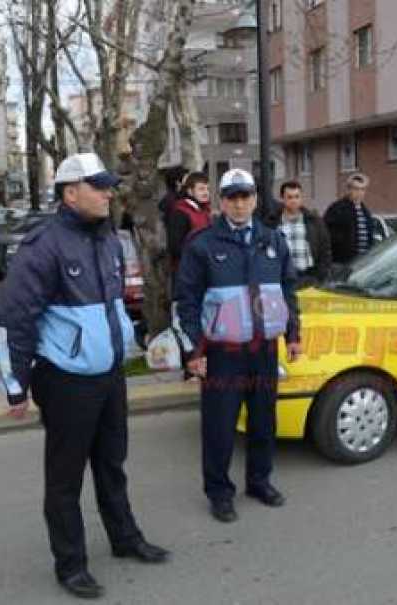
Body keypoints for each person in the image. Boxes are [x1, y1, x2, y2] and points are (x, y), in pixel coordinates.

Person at [0, 152, 169, 600]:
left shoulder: (109, 238)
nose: (110, 192)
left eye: (110, 185)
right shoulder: (44, 245)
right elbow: (14, 319)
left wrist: (137, 342)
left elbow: (114, 307)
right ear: (71, 192)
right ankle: (70, 565)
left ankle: (125, 539)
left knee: (113, 463)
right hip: (65, 380)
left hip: (110, 374)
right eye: (100, 186)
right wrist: (14, 385)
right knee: (65, 478)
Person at [174, 168, 302, 524]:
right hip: (221, 354)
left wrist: (293, 334)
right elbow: (185, 301)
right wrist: (192, 353)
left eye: (245, 196)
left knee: (263, 422)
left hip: (263, 350)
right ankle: (219, 492)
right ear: (221, 201)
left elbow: (288, 289)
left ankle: (259, 482)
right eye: (232, 196)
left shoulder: (272, 240)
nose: (239, 203)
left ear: (256, 199)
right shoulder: (202, 244)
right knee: (220, 426)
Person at [275, 180, 332, 289]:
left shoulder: (314, 221)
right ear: (282, 198)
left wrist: (321, 276)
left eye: (297, 197)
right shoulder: (273, 223)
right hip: (282, 279)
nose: (294, 201)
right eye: (290, 197)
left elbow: (325, 250)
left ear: (301, 198)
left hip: (308, 278)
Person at [324, 173, 376, 265]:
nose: (359, 193)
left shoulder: (366, 213)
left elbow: (370, 239)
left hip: (363, 263)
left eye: (362, 189)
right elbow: (326, 236)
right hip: (342, 263)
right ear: (349, 190)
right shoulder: (337, 209)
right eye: (356, 189)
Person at [167, 172, 213, 271]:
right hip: (187, 270)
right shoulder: (180, 213)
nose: (206, 193)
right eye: (201, 189)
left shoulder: (205, 211)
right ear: (190, 191)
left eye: (207, 189)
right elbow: (175, 247)